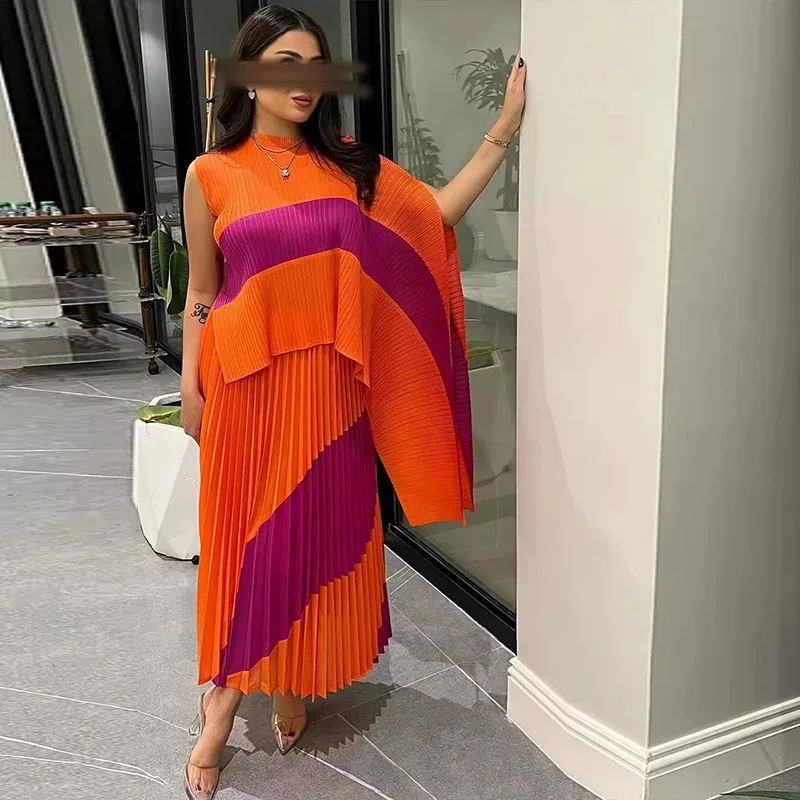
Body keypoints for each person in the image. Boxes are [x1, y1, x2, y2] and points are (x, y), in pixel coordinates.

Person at [180, 5, 525, 798]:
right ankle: (221, 710)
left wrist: (503, 130)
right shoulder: (212, 173)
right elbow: (202, 290)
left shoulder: (353, 169)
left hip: (331, 392)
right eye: (285, 64)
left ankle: (292, 676)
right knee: (249, 548)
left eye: (316, 65)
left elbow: (437, 216)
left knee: (314, 537)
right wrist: (190, 384)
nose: (305, 81)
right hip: (245, 387)